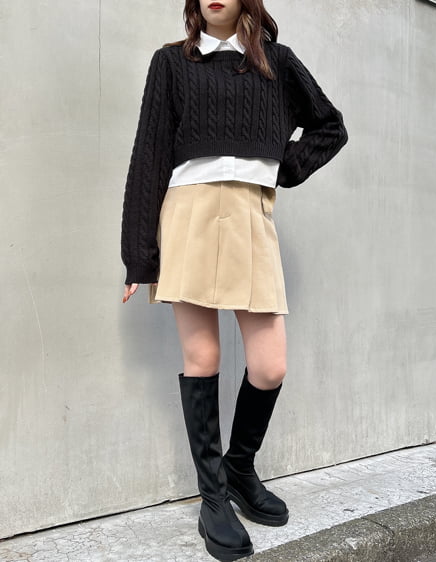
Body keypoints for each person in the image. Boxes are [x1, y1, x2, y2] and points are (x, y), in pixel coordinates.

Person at [121, 0, 348, 559]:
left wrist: (281, 165)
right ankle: (213, 498)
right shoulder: (171, 63)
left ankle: (239, 468)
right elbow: (150, 152)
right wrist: (138, 256)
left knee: (270, 365)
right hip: (188, 214)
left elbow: (330, 126)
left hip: (251, 215)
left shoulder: (277, 61)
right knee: (203, 358)